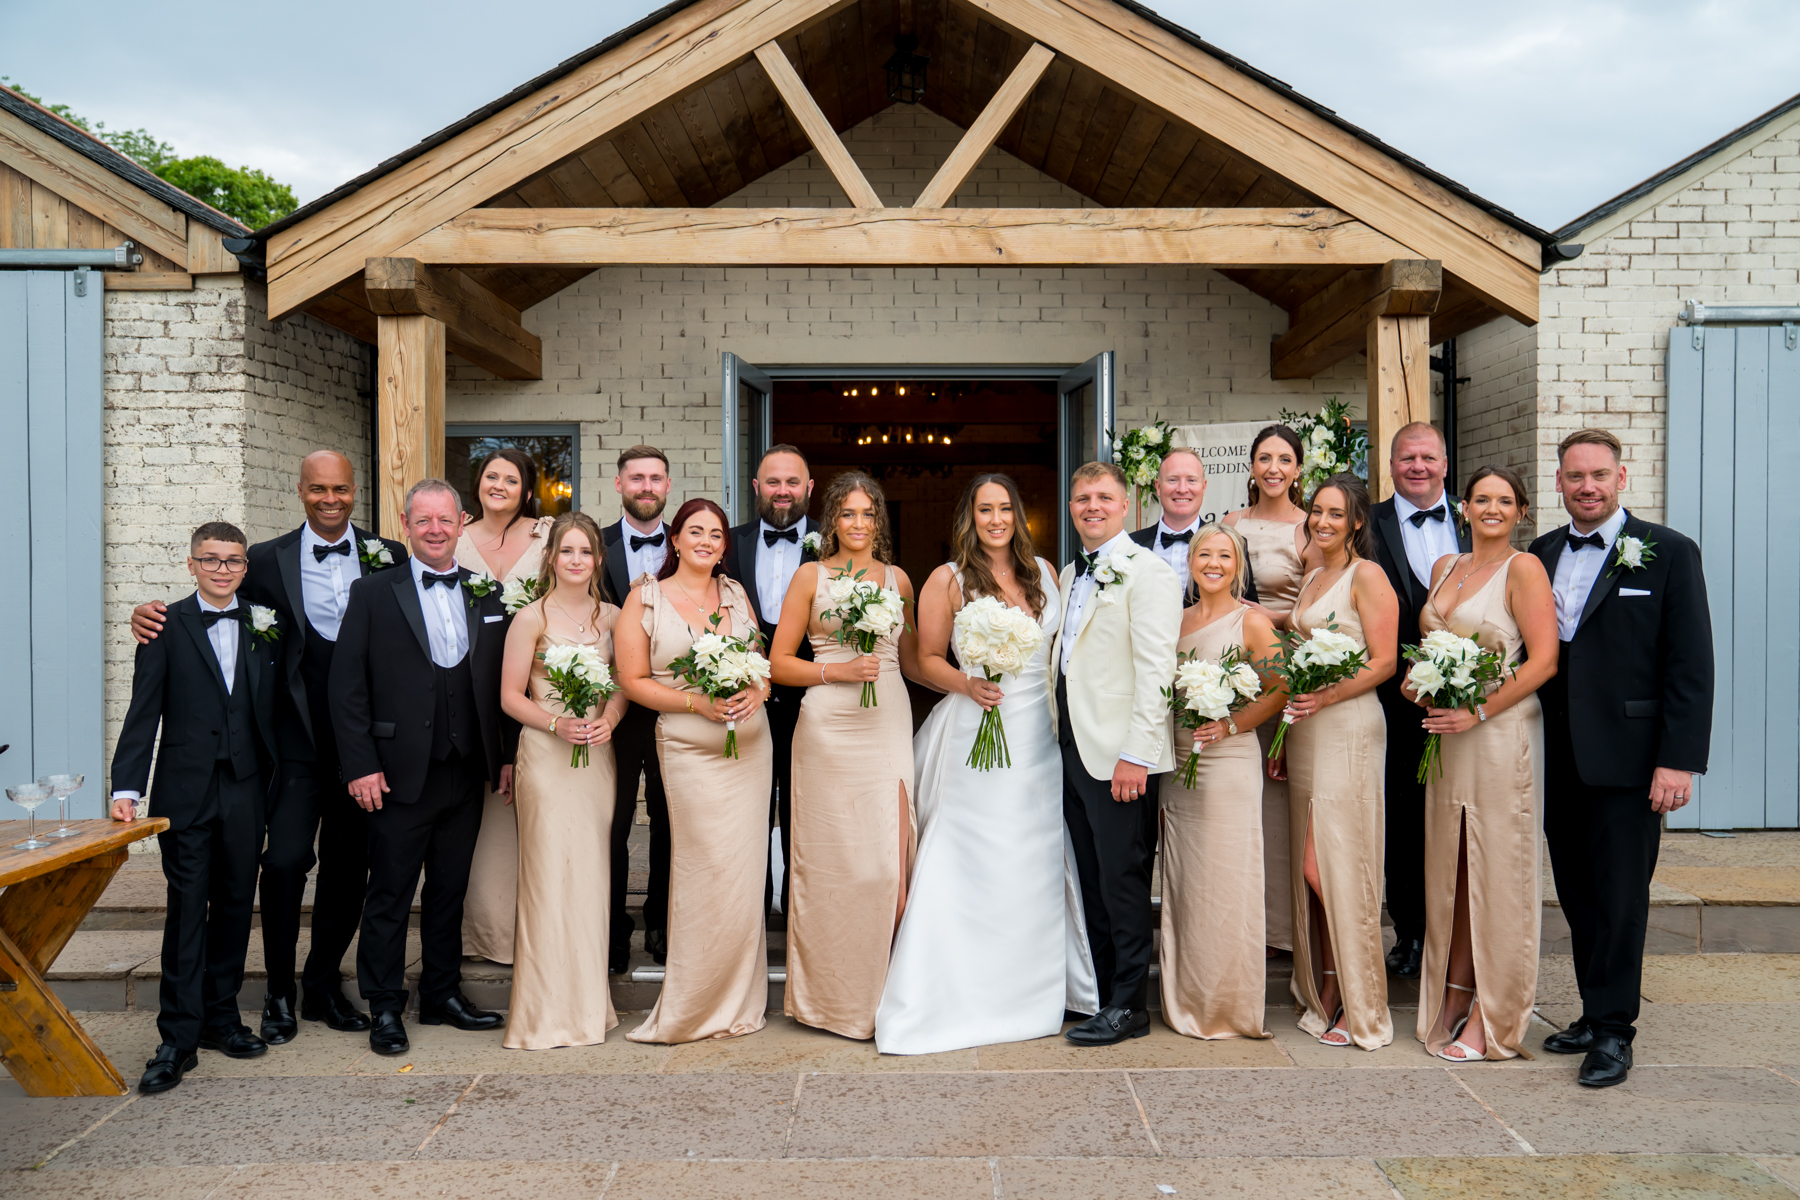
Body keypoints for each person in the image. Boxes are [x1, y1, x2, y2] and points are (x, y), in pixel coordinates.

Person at [127, 450, 405, 1044]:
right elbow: (210, 603)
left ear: (356, 491)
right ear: (300, 491)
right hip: (292, 746)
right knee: (281, 864)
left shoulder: (390, 557)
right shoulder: (265, 562)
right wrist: (148, 615)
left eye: (340, 490)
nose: (330, 499)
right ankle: (278, 989)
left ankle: (322, 985)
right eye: (317, 490)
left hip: (365, 747)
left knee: (349, 872)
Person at [877, 474, 1098, 1055]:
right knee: (971, 851)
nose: (996, 519)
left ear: (1018, 515)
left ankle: (1034, 990)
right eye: (985, 509)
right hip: (977, 729)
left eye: (1005, 508)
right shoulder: (946, 580)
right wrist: (968, 683)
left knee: (1035, 852)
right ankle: (955, 987)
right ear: (969, 518)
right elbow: (923, 660)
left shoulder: (1047, 574)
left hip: (1037, 737)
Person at [1529, 428, 1712, 1088]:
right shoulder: (1542, 552)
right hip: (1558, 758)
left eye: (1599, 475)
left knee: (1622, 897)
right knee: (1578, 893)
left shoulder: (1668, 553)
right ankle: (1588, 1008)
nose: (1587, 487)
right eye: (1575, 476)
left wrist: (1678, 760)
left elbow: (1690, 666)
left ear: (1620, 478)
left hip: (1633, 761)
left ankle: (1614, 1032)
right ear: (1559, 482)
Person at [331, 479, 510, 1057]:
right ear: (406, 526)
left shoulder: (488, 595)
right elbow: (346, 686)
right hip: (394, 772)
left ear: (462, 523)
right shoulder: (372, 592)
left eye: (445, 519)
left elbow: (496, 683)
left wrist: (502, 757)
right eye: (423, 520)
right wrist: (359, 764)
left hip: (465, 770)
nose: (435, 530)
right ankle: (384, 1003)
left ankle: (440, 993)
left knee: (449, 891)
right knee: (388, 892)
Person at [110, 522, 282, 1092]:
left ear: (244, 566)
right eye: (211, 560)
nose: (222, 569)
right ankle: (177, 1038)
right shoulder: (164, 626)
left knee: (235, 904)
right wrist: (126, 789)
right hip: (185, 790)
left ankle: (222, 1018)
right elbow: (144, 712)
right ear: (191, 565)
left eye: (233, 560)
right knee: (187, 911)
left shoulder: (265, 624)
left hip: (246, 787)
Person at [1404, 465, 1557, 1063]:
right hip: (1447, 734)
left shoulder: (1525, 569)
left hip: (1499, 736)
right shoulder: (1447, 567)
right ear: (1462, 507)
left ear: (1521, 511)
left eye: (1504, 501)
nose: (1491, 509)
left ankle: (1492, 1018)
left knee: (1496, 871)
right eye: (1480, 499)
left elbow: (1542, 662)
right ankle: (1453, 994)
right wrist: (1422, 684)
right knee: (1454, 868)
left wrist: (1480, 712)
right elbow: (1430, 645)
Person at [616, 498, 773, 1043]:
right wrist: (697, 705)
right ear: (675, 540)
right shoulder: (645, 597)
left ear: (724, 546)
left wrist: (756, 690)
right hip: (686, 744)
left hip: (750, 748)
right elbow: (632, 680)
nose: (705, 541)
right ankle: (695, 999)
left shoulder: (735, 595)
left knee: (743, 870)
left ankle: (737, 995)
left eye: (715, 534)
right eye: (694, 532)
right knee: (703, 867)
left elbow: (762, 667)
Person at [770, 471, 918, 1040]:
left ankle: (885, 997)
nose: (859, 524)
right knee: (832, 864)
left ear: (880, 521)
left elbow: (912, 658)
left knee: (885, 865)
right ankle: (829, 1001)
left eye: (868, 514)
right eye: (848, 514)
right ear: (831, 520)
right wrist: (836, 670)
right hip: (828, 726)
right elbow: (780, 662)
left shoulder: (898, 579)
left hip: (885, 722)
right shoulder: (811, 576)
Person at [1055, 462, 1181, 1046]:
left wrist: (1137, 753)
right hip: (1075, 750)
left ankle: (1132, 1005)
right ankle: (1106, 995)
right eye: (1082, 498)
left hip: (1119, 757)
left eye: (1103, 497)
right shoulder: (1067, 574)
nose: (1092, 507)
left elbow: (1158, 670)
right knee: (1092, 879)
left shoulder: (1148, 572)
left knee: (1124, 880)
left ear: (1126, 506)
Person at [500, 512, 630, 1050]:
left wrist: (609, 720)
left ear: (599, 560)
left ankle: (587, 1007)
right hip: (547, 760)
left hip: (596, 760)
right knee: (547, 878)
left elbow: (624, 684)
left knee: (591, 877)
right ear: (551, 557)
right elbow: (509, 697)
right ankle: (541, 1012)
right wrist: (557, 723)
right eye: (567, 551)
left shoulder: (617, 618)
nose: (577, 560)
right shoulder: (530, 618)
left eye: (587, 552)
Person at [1283, 473, 1398, 1050]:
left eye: (1335, 514)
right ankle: (1326, 990)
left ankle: (1361, 1001)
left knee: (1331, 866)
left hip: (1347, 727)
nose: (1322, 522)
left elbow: (1384, 661)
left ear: (1357, 521)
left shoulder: (1366, 574)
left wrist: (1325, 696)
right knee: (1313, 866)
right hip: (1306, 730)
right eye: (1316, 513)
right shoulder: (1314, 575)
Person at [1158, 524, 1287, 1040]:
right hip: (1180, 766)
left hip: (1229, 761)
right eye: (1204, 554)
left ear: (1239, 565)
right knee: (1187, 883)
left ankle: (1229, 1006)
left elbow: (1280, 689)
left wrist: (1232, 722)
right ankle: (1189, 996)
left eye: (1224, 555)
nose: (1213, 563)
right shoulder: (1174, 621)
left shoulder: (1251, 621)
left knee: (1227, 881)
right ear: (1190, 562)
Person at [1369, 423, 1471, 980]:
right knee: (1404, 821)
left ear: (1445, 463)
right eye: (1407, 458)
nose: (1418, 467)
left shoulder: (1477, 517)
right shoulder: (1372, 524)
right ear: (1391, 466)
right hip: (1394, 699)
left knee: (1461, 815)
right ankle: (1410, 931)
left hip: (1471, 699)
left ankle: (1459, 932)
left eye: (1428, 457)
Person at [1223, 424, 1323, 959]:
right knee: (1249, 801)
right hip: (1241, 677)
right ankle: (1251, 923)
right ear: (1252, 466)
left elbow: (1319, 605)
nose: (1274, 468)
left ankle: (1287, 930)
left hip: (1291, 671)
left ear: (1299, 469)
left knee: (1286, 802)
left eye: (1284, 459)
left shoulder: (1314, 527)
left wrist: (1269, 616)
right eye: (1264, 458)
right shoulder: (1231, 525)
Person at [456, 448, 554, 966]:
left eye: (510, 479)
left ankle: (537, 934)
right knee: (479, 821)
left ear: (527, 489)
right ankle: (487, 935)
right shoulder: (452, 538)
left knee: (524, 812)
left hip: (529, 694)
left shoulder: (547, 539)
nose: (498, 485)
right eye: (490, 476)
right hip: (460, 692)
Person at [724, 445, 816, 926]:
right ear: (757, 488)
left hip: (814, 699)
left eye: (792, 482)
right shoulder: (728, 542)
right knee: (749, 808)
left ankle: (800, 913)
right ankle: (752, 914)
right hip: (741, 699)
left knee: (803, 808)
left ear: (809, 489)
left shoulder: (835, 541)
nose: (783, 491)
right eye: (773, 483)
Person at [600, 446, 674, 973]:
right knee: (615, 820)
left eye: (656, 478)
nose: (646, 486)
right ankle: (613, 930)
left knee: (672, 820)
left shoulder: (691, 541)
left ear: (667, 486)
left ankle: (665, 922)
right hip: (611, 706)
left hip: (676, 706)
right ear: (620, 484)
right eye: (637, 478)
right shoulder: (593, 546)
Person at [1130, 448, 1261, 604]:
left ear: (1204, 487)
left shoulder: (1233, 544)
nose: (1182, 489)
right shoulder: (1130, 545)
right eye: (1173, 480)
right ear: (1158, 487)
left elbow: (1247, 609)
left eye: (1191, 480)